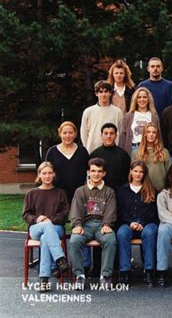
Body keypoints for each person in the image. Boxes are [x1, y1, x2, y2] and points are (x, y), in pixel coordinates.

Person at [69, 158, 117, 290]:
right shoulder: (80, 191)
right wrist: (77, 225)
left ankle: (105, 276)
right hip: (85, 225)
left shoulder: (109, 192)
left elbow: (111, 210)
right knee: (74, 241)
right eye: (93, 171)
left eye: (99, 171)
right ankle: (79, 276)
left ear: (104, 173)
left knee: (110, 240)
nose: (96, 174)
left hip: (102, 225)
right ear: (88, 172)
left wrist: (108, 224)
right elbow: (76, 210)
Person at [22, 162, 69, 292]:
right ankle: (60, 259)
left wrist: (50, 220)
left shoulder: (60, 193)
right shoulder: (31, 193)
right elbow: (26, 215)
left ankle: (43, 279)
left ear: (54, 174)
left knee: (45, 239)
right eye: (44, 173)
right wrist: (37, 219)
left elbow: (64, 214)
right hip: (36, 228)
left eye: (49, 173)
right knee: (45, 230)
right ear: (39, 175)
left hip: (56, 228)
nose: (47, 176)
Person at [116, 161, 158, 287]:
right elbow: (120, 211)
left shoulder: (151, 190)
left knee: (149, 233)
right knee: (122, 233)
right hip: (128, 222)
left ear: (144, 174)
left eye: (141, 172)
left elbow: (153, 212)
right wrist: (131, 222)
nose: (138, 174)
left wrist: (142, 223)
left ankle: (149, 270)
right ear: (130, 172)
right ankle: (125, 271)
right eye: (135, 171)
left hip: (148, 223)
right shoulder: (122, 190)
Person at [45, 121, 89, 204]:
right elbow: (47, 172)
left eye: (71, 133)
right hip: (57, 194)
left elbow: (88, 172)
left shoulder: (82, 151)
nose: (68, 136)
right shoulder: (52, 151)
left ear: (75, 134)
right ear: (60, 134)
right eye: (64, 133)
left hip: (79, 194)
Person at [80, 80, 124, 153]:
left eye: (106, 91)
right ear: (96, 94)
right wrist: (87, 147)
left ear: (110, 93)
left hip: (112, 151)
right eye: (100, 92)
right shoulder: (88, 111)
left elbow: (121, 132)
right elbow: (84, 133)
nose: (103, 94)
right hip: (92, 150)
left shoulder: (117, 112)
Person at [119, 87, 160, 156]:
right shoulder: (129, 116)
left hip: (150, 149)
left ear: (148, 99)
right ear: (135, 99)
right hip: (133, 148)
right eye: (139, 97)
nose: (142, 99)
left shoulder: (154, 116)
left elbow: (159, 135)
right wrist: (120, 153)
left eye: (144, 97)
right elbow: (123, 135)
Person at [90, 123, 131, 192]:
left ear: (115, 135)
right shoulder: (94, 154)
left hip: (118, 192)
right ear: (101, 135)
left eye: (111, 133)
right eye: (106, 133)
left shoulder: (123, 155)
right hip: (98, 192)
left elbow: (126, 177)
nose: (108, 136)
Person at [132, 122, 171, 192]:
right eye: (148, 132)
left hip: (160, 191)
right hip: (142, 191)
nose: (151, 135)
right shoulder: (136, 153)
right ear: (144, 134)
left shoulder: (164, 152)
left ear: (157, 135)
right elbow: (133, 175)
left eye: (154, 132)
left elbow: (169, 173)